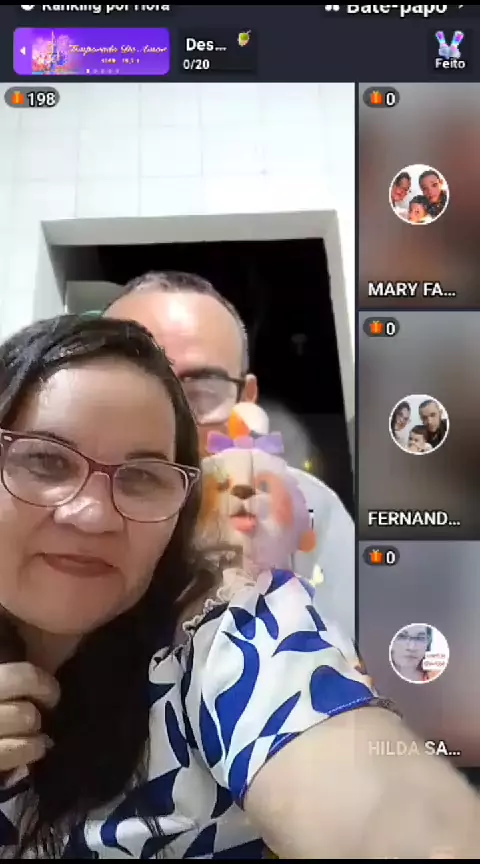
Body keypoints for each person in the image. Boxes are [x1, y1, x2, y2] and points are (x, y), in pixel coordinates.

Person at [1, 314, 480, 859]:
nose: (92, 516)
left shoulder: (228, 635)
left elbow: (380, 805)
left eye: (142, 476)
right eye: (45, 460)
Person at [105, 272, 355, 637]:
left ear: (245, 398)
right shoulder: (58, 504)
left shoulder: (305, 510)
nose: (170, 426)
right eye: (132, 388)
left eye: (203, 393)